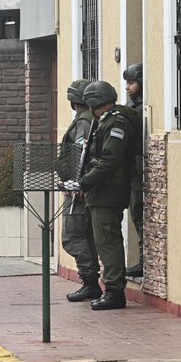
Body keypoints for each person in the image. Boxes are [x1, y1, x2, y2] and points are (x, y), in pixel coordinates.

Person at [79, 80, 138, 311]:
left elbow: (110, 160)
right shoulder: (105, 121)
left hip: (108, 191)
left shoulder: (117, 122)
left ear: (94, 103)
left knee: (108, 240)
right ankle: (112, 288)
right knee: (104, 240)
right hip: (101, 191)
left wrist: (84, 182)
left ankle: (114, 291)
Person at [56, 79, 101, 302]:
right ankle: (91, 281)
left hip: (78, 190)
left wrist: (79, 183)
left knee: (72, 236)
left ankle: (90, 281)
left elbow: (84, 154)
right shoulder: (86, 120)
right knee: (84, 236)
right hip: (78, 186)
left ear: (74, 101)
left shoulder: (84, 123)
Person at [123, 63, 144, 278]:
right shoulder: (131, 106)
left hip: (140, 167)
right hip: (132, 167)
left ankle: (144, 259)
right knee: (135, 211)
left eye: (132, 83)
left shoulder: (140, 108)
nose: (128, 87)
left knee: (138, 211)